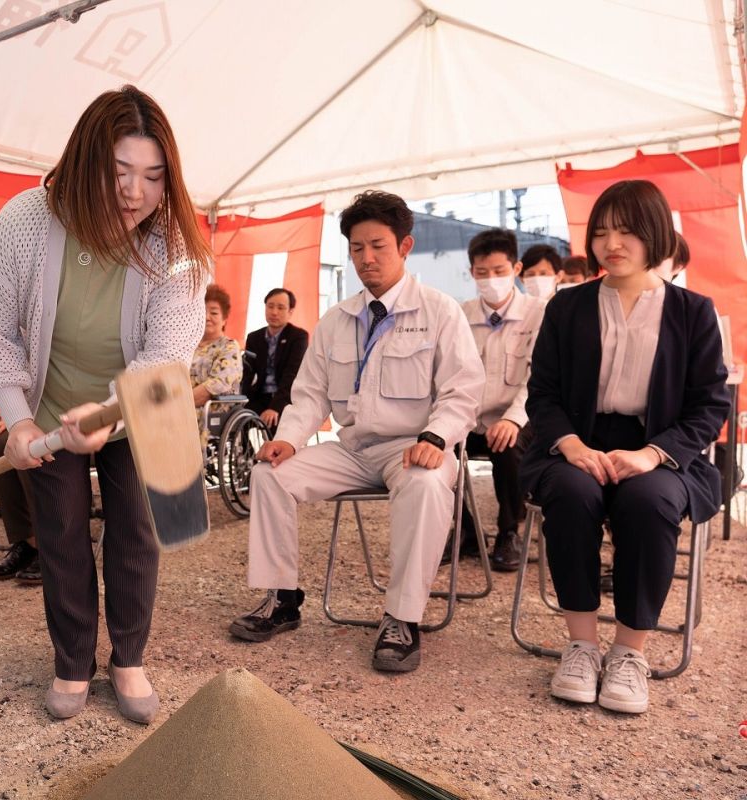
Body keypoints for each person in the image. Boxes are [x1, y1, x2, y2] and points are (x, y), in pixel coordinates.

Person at [0, 85, 210, 724]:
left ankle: (128, 658)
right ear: (83, 164)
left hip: (145, 404)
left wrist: (110, 417)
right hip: (50, 408)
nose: (135, 192)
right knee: (63, 534)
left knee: (138, 533)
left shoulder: (177, 244)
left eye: (154, 177)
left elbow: (164, 358)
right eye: (120, 172)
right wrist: (17, 419)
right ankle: (72, 661)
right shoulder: (24, 220)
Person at [228, 190, 484, 673]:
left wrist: (436, 437)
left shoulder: (438, 311)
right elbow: (309, 396)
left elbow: (463, 390)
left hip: (414, 448)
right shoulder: (336, 320)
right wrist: (289, 440)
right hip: (352, 449)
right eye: (357, 248)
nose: (366, 258)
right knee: (268, 475)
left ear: (405, 246)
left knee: (428, 485)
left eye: (378, 246)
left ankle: (401, 619)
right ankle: (282, 598)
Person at [521, 179, 729, 714]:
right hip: (576, 441)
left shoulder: (692, 311)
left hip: (659, 447)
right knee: (571, 494)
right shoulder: (567, 308)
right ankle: (582, 647)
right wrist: (568, 444)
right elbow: (542, 393)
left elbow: (709, 405)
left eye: (628, 231)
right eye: (603, 232)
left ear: (655, 235)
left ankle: (629, 654)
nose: (612, 243)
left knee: (649, 501)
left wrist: (652, 455)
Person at [453, 228, 545, 571]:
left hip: (518, 416)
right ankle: (464, 529)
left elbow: (538, 377)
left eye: (499, 271)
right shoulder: (460, 314)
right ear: (471, 272)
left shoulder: (540, 312)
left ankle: (509, 530)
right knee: (432, 446)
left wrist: (512, 418)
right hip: (470, 416)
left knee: (508, 445)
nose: (490, 280)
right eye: (482, 273)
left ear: (516, 269)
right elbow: (451, 372)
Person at [0, 410, 40, 585]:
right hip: (35, 417)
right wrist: (16, 418)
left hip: (79, 425)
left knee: (26, 446)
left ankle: (52, 545)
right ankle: (29, 541)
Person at [240, 288, 309, 430]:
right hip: (260, 395)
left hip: (287, 398)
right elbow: (247, 373)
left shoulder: (298, 337)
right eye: (270, 306)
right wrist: (240, 400)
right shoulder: (254, 337)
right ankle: (249, 452)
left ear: (290, 311)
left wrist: (275, 407)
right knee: (237, 417)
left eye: (281, 307)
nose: (274, 312)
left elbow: (291, 375)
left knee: (276, 423)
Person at [191, 283, 243, 447]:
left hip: (212, 407)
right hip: (184, 402)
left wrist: (181, 402)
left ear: (224, 318)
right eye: (203, 311)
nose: (207, 317)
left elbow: (218, 383)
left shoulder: (229, 346)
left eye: (214, 312)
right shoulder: (189, 345)